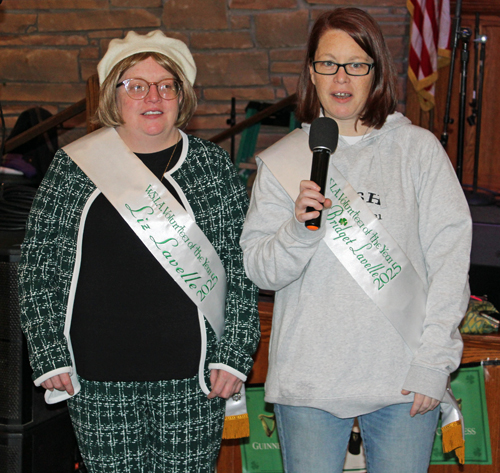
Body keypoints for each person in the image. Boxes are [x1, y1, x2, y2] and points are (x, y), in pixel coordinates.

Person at [240, 8, 471, 473]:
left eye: (356, 64)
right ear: (311, 71)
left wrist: (435, 362)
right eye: (328, 63)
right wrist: (297, 232)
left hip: (402, 381)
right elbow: (259, 270)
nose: (341, 77)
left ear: (376, 72)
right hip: (309, 382)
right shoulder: (284, 161)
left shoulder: (417, 151)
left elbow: (449, 260)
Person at [18, 30, 260, 473]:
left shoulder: (211, 166)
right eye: (136, 85)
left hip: (194, 379)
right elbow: (39, 266)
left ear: (180, 96)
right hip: (95, 379)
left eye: (166, 85)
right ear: (114, 95)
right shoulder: (75, 166)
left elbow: (240, 266)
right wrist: (49, 351)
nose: (154, 96)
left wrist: (236, 352)